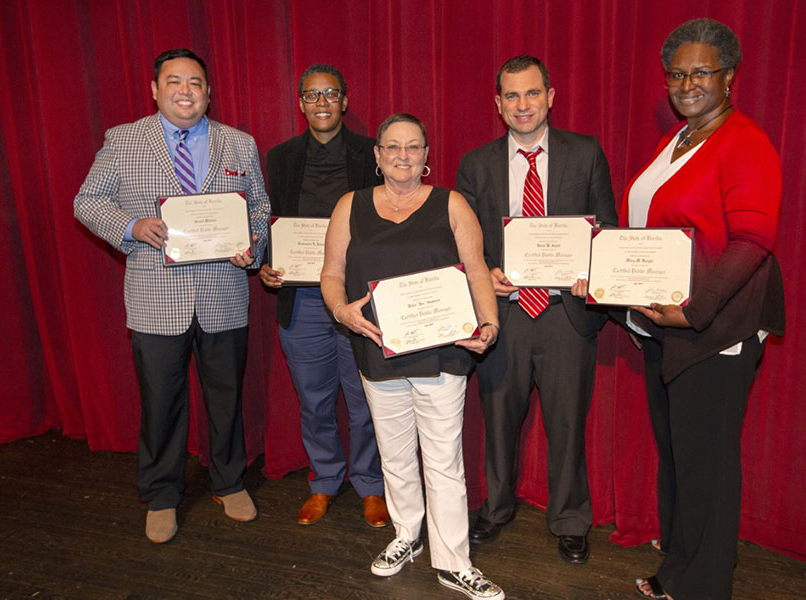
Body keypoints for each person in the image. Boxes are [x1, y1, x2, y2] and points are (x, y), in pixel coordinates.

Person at [581, 18, 783, 600]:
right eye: (676, 73)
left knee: (709, 467)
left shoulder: (745, 141)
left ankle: (703, 586)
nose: (687, 82)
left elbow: (753, 240)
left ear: (729, 76)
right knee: (679, 458)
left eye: (701, 71)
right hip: (664, 327)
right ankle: (679, 570)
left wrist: (696, 313)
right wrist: (604, 278)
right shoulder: (678, 140)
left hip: (715, 330)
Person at [74, 48, 270, 544]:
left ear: (209, 92)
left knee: (225, 398)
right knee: (161, 401)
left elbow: (261, 207)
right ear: (155, 89)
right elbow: (87, 200)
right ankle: (162, 494)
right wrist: (131, 225)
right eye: (175, 81)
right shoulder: (123, 140)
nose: (186, 91)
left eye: (196, 83)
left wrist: (251, 244)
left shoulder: (238, 144)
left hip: (224, 295)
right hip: (155, 301)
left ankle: (229, 481)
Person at [321, 113, 504, 600]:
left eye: (414, 147)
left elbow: (478, 270)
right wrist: (341, 311)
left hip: (442, 354)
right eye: (393, 147)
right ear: (377, 156)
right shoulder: (350, 205)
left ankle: (453, 562)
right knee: (396, 456)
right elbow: (331, 273)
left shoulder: (452, 203)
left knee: (443, 462)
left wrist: (489, 323)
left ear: (426, 156)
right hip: (377, 351)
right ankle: (406, 536)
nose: (403, 155)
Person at [455, 55, 617, 564]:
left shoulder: (586, 152)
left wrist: (591, 273)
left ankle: (570, 517)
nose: (522, 105)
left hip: (568, 315)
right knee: (499, 418)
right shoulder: (476, 163)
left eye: (531, 93)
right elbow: (460, 242)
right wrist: (484, 272)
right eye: (511, 96)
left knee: (568, 422)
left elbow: (605, 230)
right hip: (505, 316)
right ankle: (497, 507)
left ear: (550, 96)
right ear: (498, 104)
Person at [262, 64, 387, 528]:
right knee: (314, 401)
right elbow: (270, 221)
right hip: (302, 299)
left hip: (358, 300)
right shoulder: (281, 157)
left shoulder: (370, 152)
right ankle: (324, 481)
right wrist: (268, 264)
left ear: (345, 101)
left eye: (330, 94)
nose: (321, 103)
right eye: (312, 95)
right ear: (300, 103)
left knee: (364, 400)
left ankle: (371, 485)